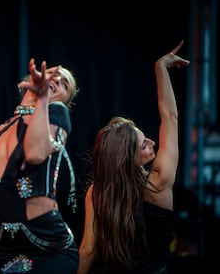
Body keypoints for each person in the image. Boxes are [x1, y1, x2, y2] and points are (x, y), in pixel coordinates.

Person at [77, 40, 190, 273]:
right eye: (143, 146)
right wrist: (161, 68)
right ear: (128, 158)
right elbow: (170, 117)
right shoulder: (158, 183)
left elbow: (88, 250)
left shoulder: (97, 192)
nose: (153, 143)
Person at [0, 58, 80, 273]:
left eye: (64, 84)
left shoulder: (57, 113)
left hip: (46, 245)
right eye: (52, 73)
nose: (56, 79)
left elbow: (34, 153)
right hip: (1, 246)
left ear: (66, 99)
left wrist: (42, 98)